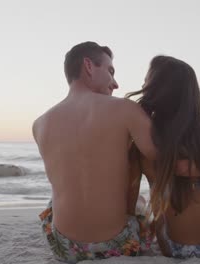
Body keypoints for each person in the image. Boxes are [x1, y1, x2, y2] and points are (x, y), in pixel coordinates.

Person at [32, 42, 156, 263]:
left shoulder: (39, 124)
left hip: (64, 247)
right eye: (110, 71)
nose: (115, 83)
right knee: (141, 203)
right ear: (88, 66)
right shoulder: (124, 109)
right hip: (117, 246)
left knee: (55, 200)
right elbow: (160, 157)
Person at [126, 55, 200, 259]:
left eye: (146, 81)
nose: (143, 84)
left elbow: (129, 199)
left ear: (154, 92)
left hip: (174, 248)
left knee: (146, 204)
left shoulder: (143, 145)